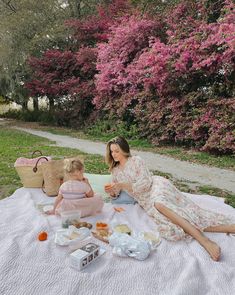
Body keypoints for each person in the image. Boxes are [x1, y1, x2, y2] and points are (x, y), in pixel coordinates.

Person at [104, 136, 235, 261]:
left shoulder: (136, 161)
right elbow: (116, 193)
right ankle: (228, 227)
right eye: (112, 151)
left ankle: (205, 241)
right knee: (169, 220)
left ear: (124, 150)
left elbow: (145, 183)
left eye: (117, 150)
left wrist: (122, 185)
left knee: (160, 205)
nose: (114, 154)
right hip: (144, 199)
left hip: (155, 186)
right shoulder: (115, 171)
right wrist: (112, 192)